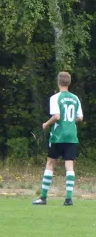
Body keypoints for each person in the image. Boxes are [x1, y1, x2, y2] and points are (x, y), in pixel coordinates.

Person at [33, 72, 83, 206]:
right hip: (72, 136)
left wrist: (46, 124)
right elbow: (80, 117)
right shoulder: (75, 98)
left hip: (58, 135)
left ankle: (43, 197)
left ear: (58, 82)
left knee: (50, 163)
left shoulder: (55, 97)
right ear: (69, 83)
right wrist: (70, 121)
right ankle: (68, 198)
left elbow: (56, 116)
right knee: (69, 165)